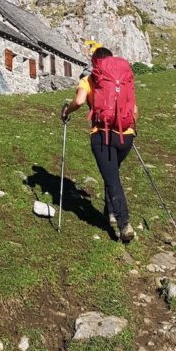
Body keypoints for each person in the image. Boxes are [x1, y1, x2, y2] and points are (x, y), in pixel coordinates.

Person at [62, 46, 137, 243]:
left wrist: (65, 112)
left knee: (112, 178)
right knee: (111, 172)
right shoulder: (124, 79)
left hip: (102, 135)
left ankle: (124, 224)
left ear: (95, 63)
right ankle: (110, 212)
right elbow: (134, 110)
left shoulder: (89, 79)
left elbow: (78, 101)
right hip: (126, 136)